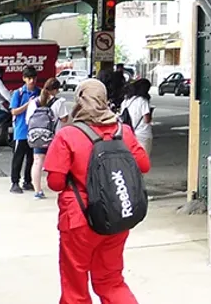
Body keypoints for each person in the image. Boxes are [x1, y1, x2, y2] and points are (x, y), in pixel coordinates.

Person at [44, 79, 150, 304]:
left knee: (75, 285)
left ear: (79, 100)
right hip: (116, 215)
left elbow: (55, 182)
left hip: (79, 219)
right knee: (110, 280)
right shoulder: (124, 131)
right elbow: (144, 166)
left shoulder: (68, 135)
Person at [26, 78, 71, 199]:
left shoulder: (34, 102)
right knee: (58, 163)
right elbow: (64, 119)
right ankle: (58, 186)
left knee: (37, 162)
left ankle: (38, 191)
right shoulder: (59, 102)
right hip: (54, 137)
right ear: (56, 90)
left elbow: (28, 120)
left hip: (37, 137)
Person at [9, 66, 42, 194]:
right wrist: (28, 105)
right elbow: (14, 111)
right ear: (24, 79)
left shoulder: (39, 92)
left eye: (33, 78)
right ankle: (15, 182)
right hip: (21, 130)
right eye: (29, 78)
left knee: (32, 158)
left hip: (35, 129)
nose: (31, 81)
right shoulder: (19, 93)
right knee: (18, 157)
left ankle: (28, 181)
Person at [120, 79, 153, 157]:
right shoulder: (143, 101)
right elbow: (146, 119)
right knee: (143, 156)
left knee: (131, 156)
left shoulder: (126, 100)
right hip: (143, 133)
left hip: (129, 132)